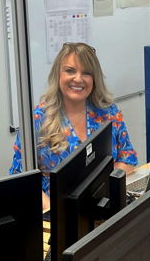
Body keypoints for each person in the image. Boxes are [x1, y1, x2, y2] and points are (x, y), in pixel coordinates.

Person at [10, 42, 137, 211]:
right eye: (70, 71)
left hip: (100, 208)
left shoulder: (108, 112)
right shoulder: (37, 119)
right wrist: (52, 211)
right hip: (55, 215)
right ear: (58, 75)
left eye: (86, 73)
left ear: (94, 78)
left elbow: (127, 160)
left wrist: (101, 190)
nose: (78, 79)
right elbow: (20, 178)